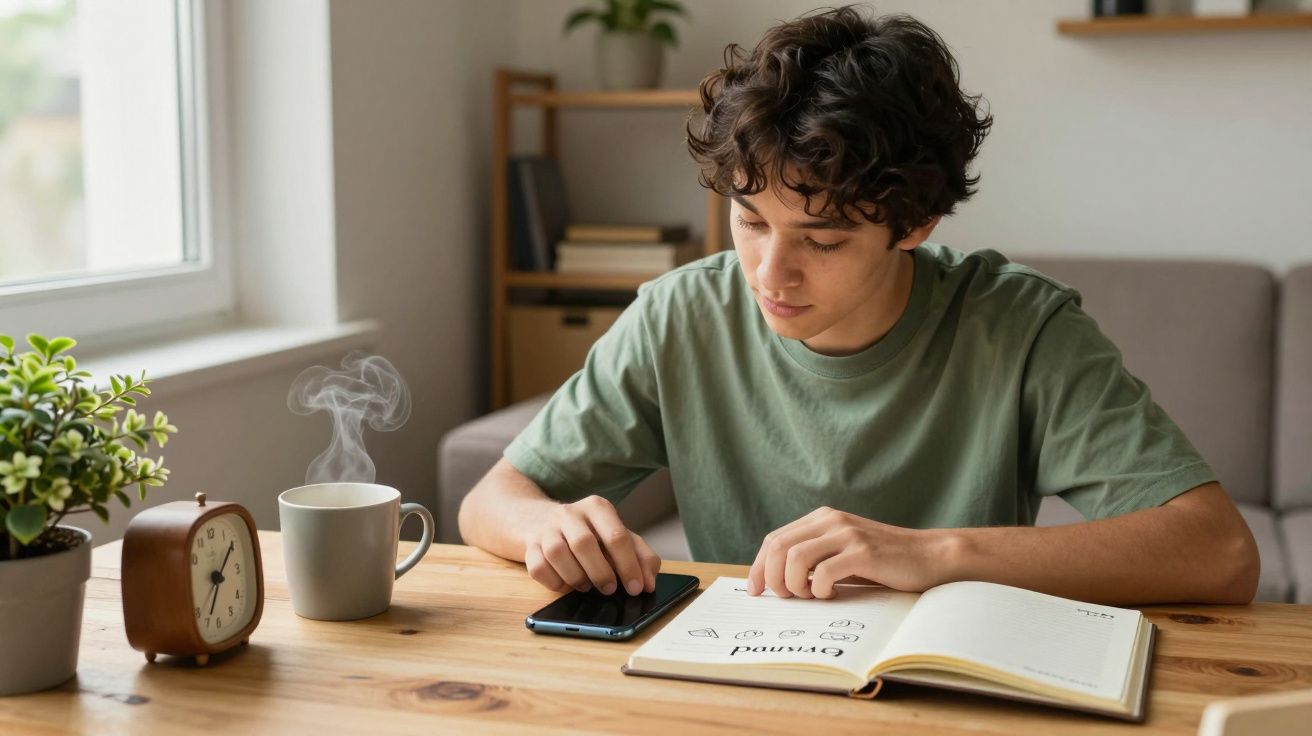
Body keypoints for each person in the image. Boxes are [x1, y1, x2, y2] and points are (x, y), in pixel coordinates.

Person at [458, 5, 1259, 606]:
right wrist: (545, 527)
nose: (772, 272)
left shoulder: (1018, 326)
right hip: (738, 692)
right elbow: (490, 499)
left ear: (915, 224)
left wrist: (936, 555)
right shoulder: (679, 315)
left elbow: (1220, 552)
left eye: (824, 239)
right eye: (749, 221)